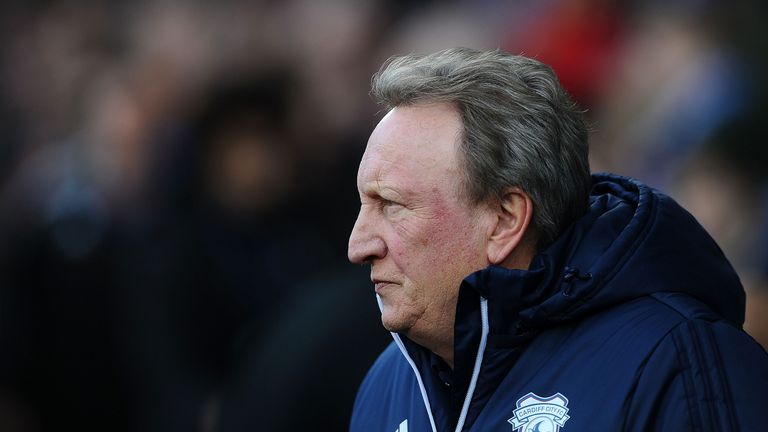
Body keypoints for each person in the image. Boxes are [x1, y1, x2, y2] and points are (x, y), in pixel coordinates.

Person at [347, 48, 768, 432]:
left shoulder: (676, 364)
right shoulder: (387, 384)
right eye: (364, 204)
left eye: (392, 205)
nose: (358, 245)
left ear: (504, 220)